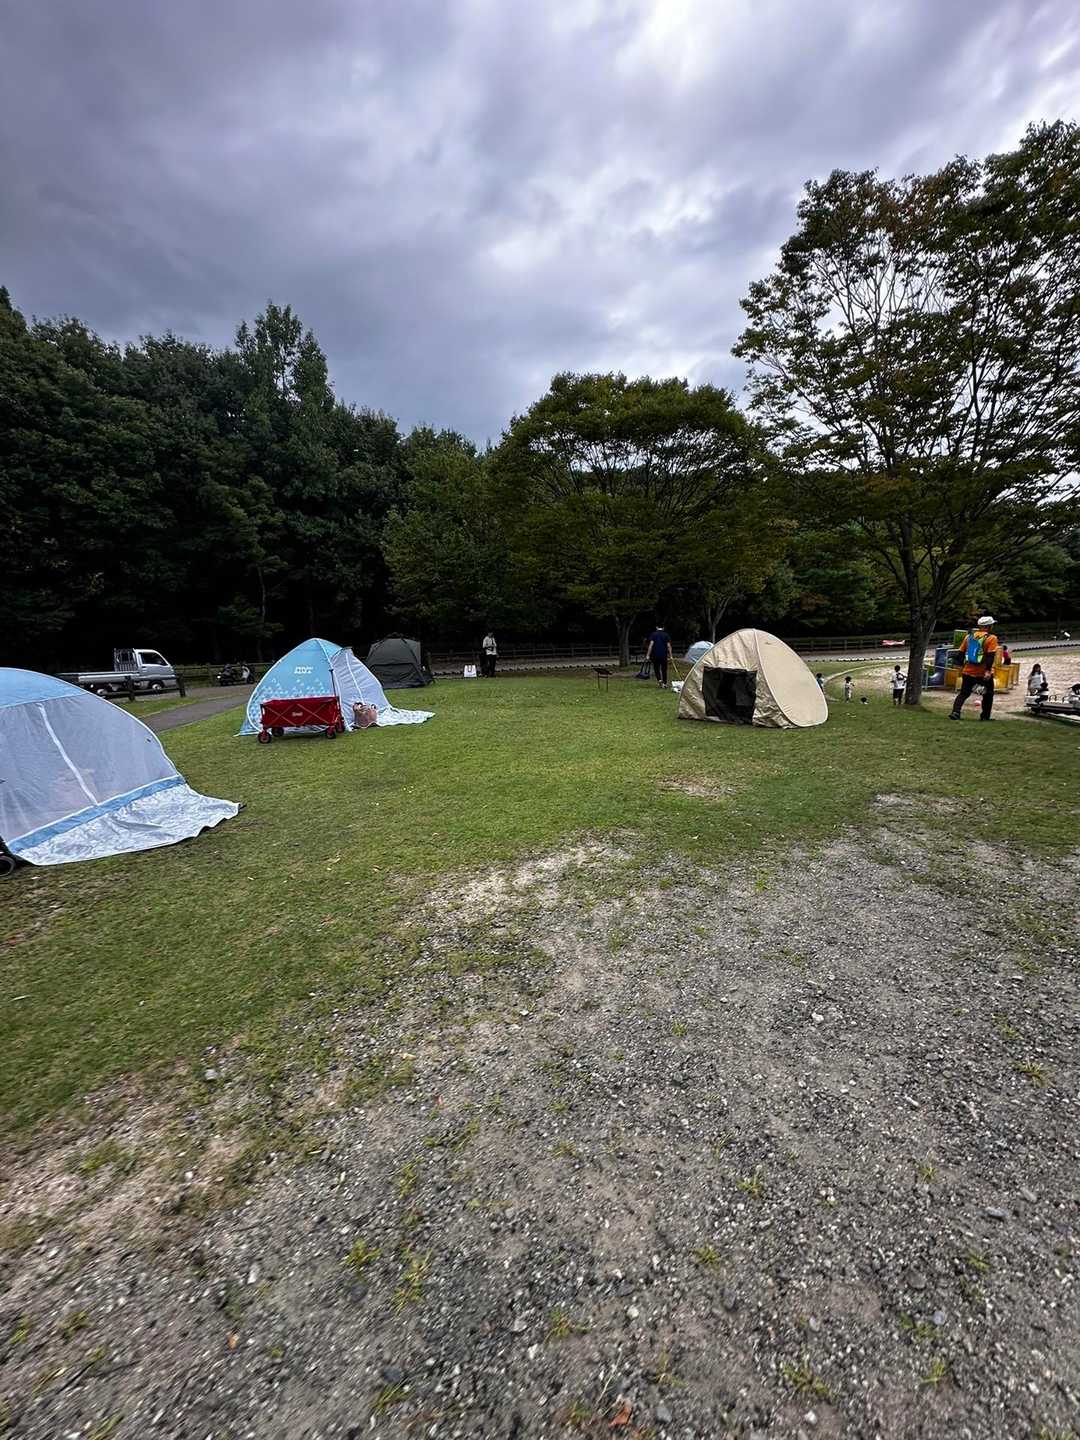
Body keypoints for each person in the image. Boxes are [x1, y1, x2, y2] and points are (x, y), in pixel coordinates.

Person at [949, 614, 999, 721]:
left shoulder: (969, 637)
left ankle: (955, 712)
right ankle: (985, 716)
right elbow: (990, 656)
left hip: (968, 671)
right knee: (988, 694)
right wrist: (988, 671)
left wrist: (962, 667)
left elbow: (960, 654)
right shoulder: (991, 638)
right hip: (982, 673)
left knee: (964, 693)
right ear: (989, 626)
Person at [645, 623, 672, 688]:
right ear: (663, 628)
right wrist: (670, 655)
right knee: (664, 669)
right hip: (664, 655)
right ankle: (664, 683)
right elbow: (668, 646)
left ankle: (659, 679)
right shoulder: (666, 635)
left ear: (656, 627)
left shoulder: (653, 634)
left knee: (656, 668)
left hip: (655, 655)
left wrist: (648, 655)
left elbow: (651, 645)